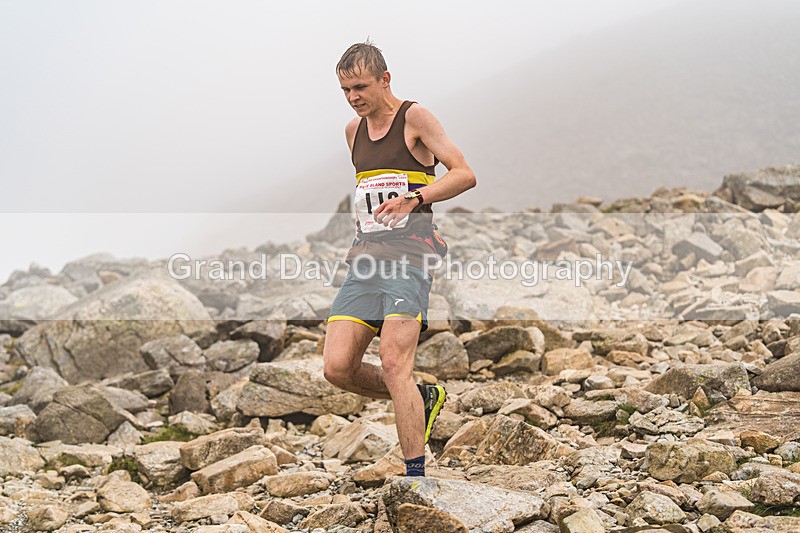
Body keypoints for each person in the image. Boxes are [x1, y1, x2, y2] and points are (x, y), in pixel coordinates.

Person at [323, 41, 476, 477]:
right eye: (345, 90)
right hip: (365, 261)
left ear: (385, 79)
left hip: (410, 259)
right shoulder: (352, 131)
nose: (353, 97)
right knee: (337, 368)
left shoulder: (415, 118)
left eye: (360, 87)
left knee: (394, 364)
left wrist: (416, 198)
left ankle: (415, 478)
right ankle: (420, 398)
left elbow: (464, 174)